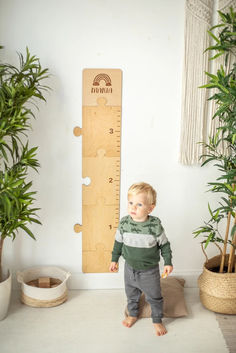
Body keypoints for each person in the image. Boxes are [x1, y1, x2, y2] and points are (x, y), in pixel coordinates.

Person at [109, 182, 173, 336]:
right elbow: (118, 242)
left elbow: (164, 245)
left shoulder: (154, 225)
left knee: (155, 297)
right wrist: (114, 259)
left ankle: (157, 319)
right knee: (131, 294)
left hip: (149, 271)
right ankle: (132, 313)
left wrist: (168, 262)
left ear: (150, 208)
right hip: (129, 268)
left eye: (139, 204)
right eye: (130, 203)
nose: (133, 208)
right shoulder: (124, 223)